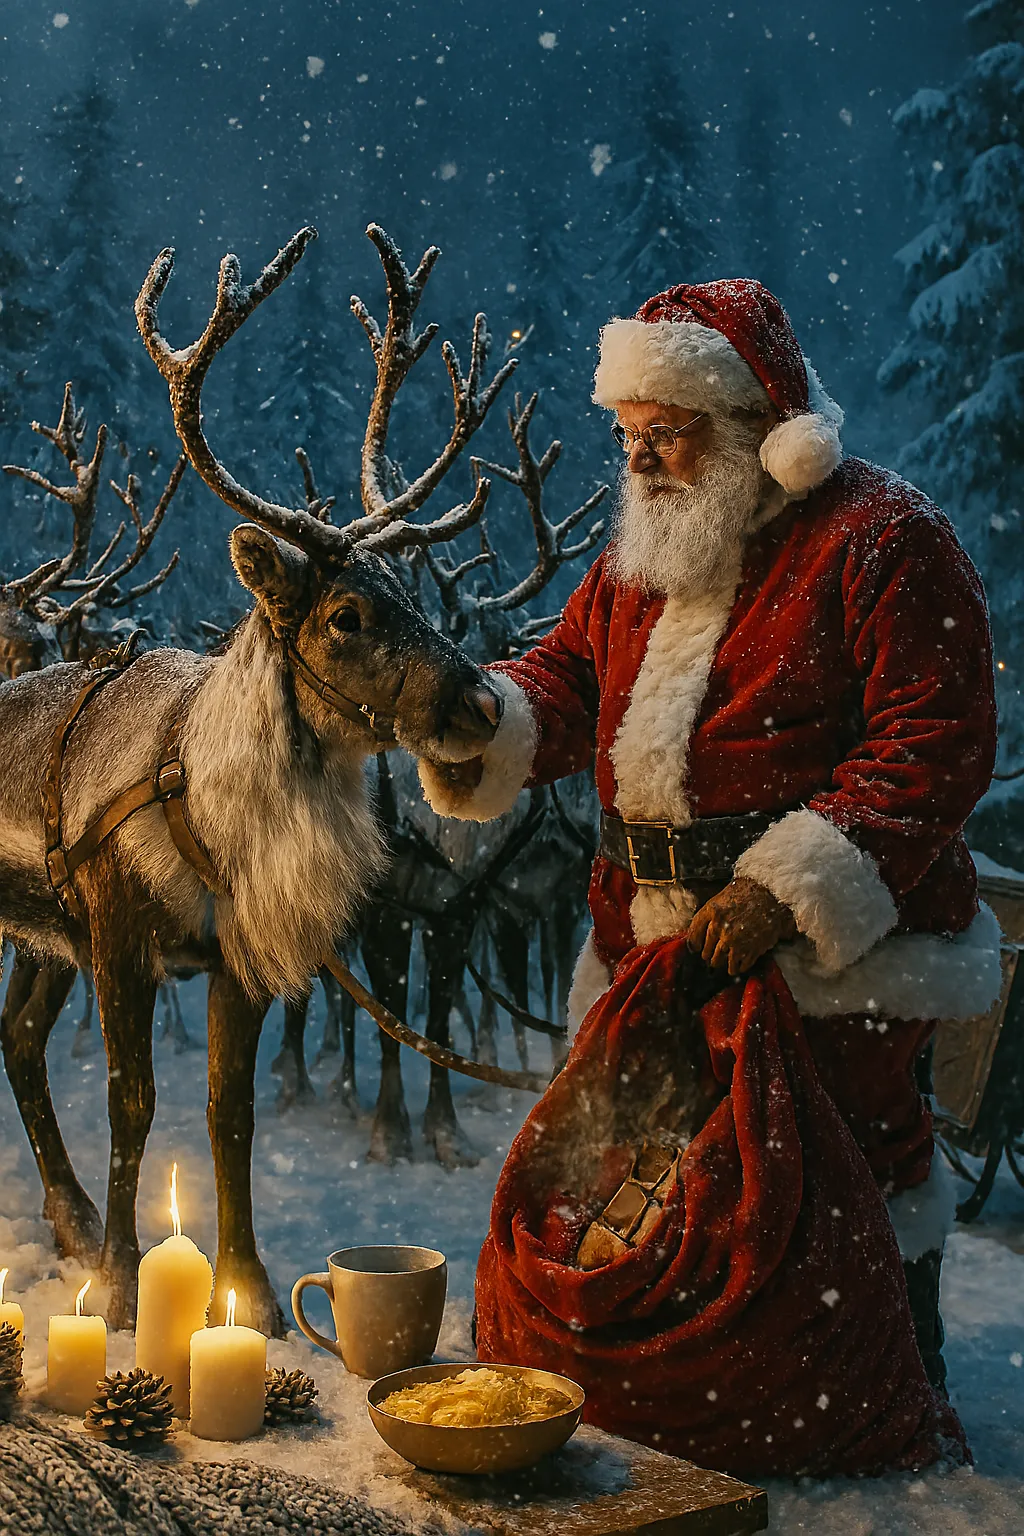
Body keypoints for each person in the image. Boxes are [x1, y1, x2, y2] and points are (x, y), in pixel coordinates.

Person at [422, 279, 1001, 1399]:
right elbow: (570, 672)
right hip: (649, 941)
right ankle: (693, 1394)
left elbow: (932, 745)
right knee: (649, 1184)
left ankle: (866, 1380)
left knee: (836, 1171)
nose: (637, 461)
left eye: (667, 435)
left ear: (759, 433)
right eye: (629, 435)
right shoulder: (652, 554)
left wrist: (789, 887)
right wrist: (490, 718)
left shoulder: (884, 540)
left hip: (830, 958)